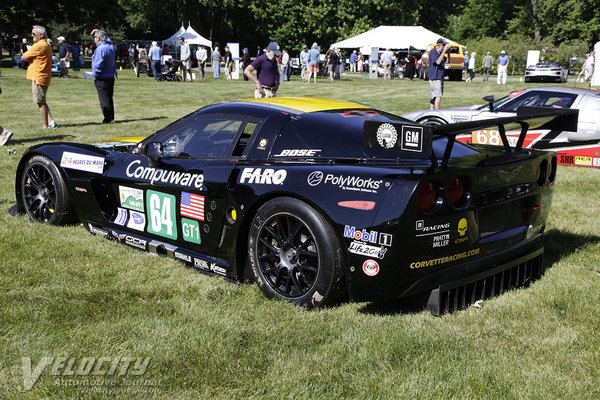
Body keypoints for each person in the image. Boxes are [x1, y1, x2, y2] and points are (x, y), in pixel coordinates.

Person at [21, 25, 57, 129]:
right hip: (43, 75)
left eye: (34, 34)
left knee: (40, 101)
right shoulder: (46, 44)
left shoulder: (39, 45)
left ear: (41, 35)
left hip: (39, 76)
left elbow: (23, 57)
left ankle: (45, 125)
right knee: (42, 100)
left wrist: (29, 56)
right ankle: (51, 122)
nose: (32, 35)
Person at [91, 29, 116, 124]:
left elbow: (98, 64)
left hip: (102, 77)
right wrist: (99, 31)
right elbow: (108, 40)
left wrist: (95, 74)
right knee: (109, 98)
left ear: (99, 38)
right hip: (110, 76)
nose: (94, 39)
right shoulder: (110, 46)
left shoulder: (100, 49)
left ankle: (107, 119)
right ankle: (111, 117)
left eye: (95, 37)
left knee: (103, 99)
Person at [427, 38, 450, 110]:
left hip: (439, 76)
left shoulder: (440, 53)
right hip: (435, 77)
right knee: (438, 96)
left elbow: (448, 61)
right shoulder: (433, 52)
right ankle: (437, 112)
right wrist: (444, 52)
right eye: (444, 45)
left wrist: (448, 52)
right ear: (439, 45)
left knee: (434, 96)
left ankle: (431, 109)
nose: (444, 47)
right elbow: (437, 62)